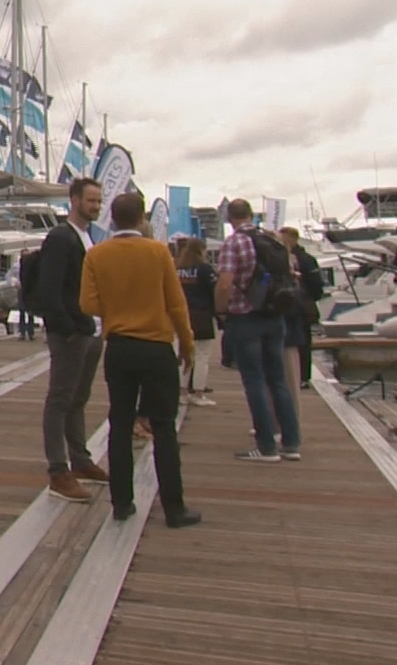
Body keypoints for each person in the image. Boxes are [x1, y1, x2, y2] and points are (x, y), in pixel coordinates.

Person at [81, 193, 201, 528]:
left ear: (112, 218)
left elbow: (88, 304)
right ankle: (174, 508)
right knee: (164, 427)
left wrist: (117, 309)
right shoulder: (158, 252)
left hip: (119, 346)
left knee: (119, 424)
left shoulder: (97, 255)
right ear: (142, 219)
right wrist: (187, 346)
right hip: (155, 346)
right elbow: (176, 304)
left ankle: (122, 503)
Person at [21, 177, 110, 502]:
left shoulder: (86, 237)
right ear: (74, 200)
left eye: (99, 201)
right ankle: (58, 472)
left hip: (90, 330)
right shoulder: (61, 237)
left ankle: (81, 461)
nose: (96, 207)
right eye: (91, 201)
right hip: (71, 333)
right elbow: (50, 288)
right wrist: (69, 328)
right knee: (60, 399)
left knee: (78, 398)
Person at [215, 198, 302, 463]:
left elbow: (224, 283)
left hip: (246, 316)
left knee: (254, 380)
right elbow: (290, 273)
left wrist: (221, 310)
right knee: (278, 379)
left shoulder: (234, 243)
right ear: (251, 215)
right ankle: (291, 443)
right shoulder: (273, 239)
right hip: (275, 315)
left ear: (229, 219)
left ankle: (266, 445)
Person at [173, 237, 217, 407]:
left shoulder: (178, 268)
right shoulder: (204, 269)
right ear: (201, 251)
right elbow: (213, 289)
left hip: (182, 315)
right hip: (202, 314)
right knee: (201, 355)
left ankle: (181, 392)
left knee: (184, 355)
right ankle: (198, 393)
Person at [280, 227, 324, 390]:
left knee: (303, 341)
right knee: (298, 341)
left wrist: (311, 297)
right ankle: (300, 376)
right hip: (293, 304)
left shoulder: (305, 259)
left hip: (301, 304)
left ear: (293, 238)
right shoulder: (284, 257)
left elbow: (316, 283)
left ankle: (304, 377)